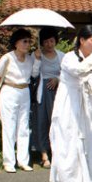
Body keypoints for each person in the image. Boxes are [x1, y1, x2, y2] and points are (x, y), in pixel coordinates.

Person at [49, 25, 92, 182]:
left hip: (89, 104)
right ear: (82, 40)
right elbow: (78, 71)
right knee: (70, 141)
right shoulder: (69, 58)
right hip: (70, 105)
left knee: (91, 140)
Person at [0, 29, 36, 173]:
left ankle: (23, 161)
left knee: (24, 127)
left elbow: (35, 74)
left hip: (24, 91)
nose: (27, 44)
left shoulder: (31, 58)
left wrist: (38, 58)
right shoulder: (7, 58)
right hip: (9, 90)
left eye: (29, 41)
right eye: (24, 41)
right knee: (9, 127)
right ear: (16, 42)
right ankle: (9, 162)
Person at [32, 27, 64, 169]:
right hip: (43, 92)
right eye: (46, 42)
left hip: (59, 92)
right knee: (42, 121)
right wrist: (37, 60)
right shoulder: (36, 55)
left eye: (52, 41)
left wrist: (58, 79)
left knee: (57, 121)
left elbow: (68, 73)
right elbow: (33, 74)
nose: (49, 44)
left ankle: (57, 153)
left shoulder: (62, 56)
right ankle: (44, 154)